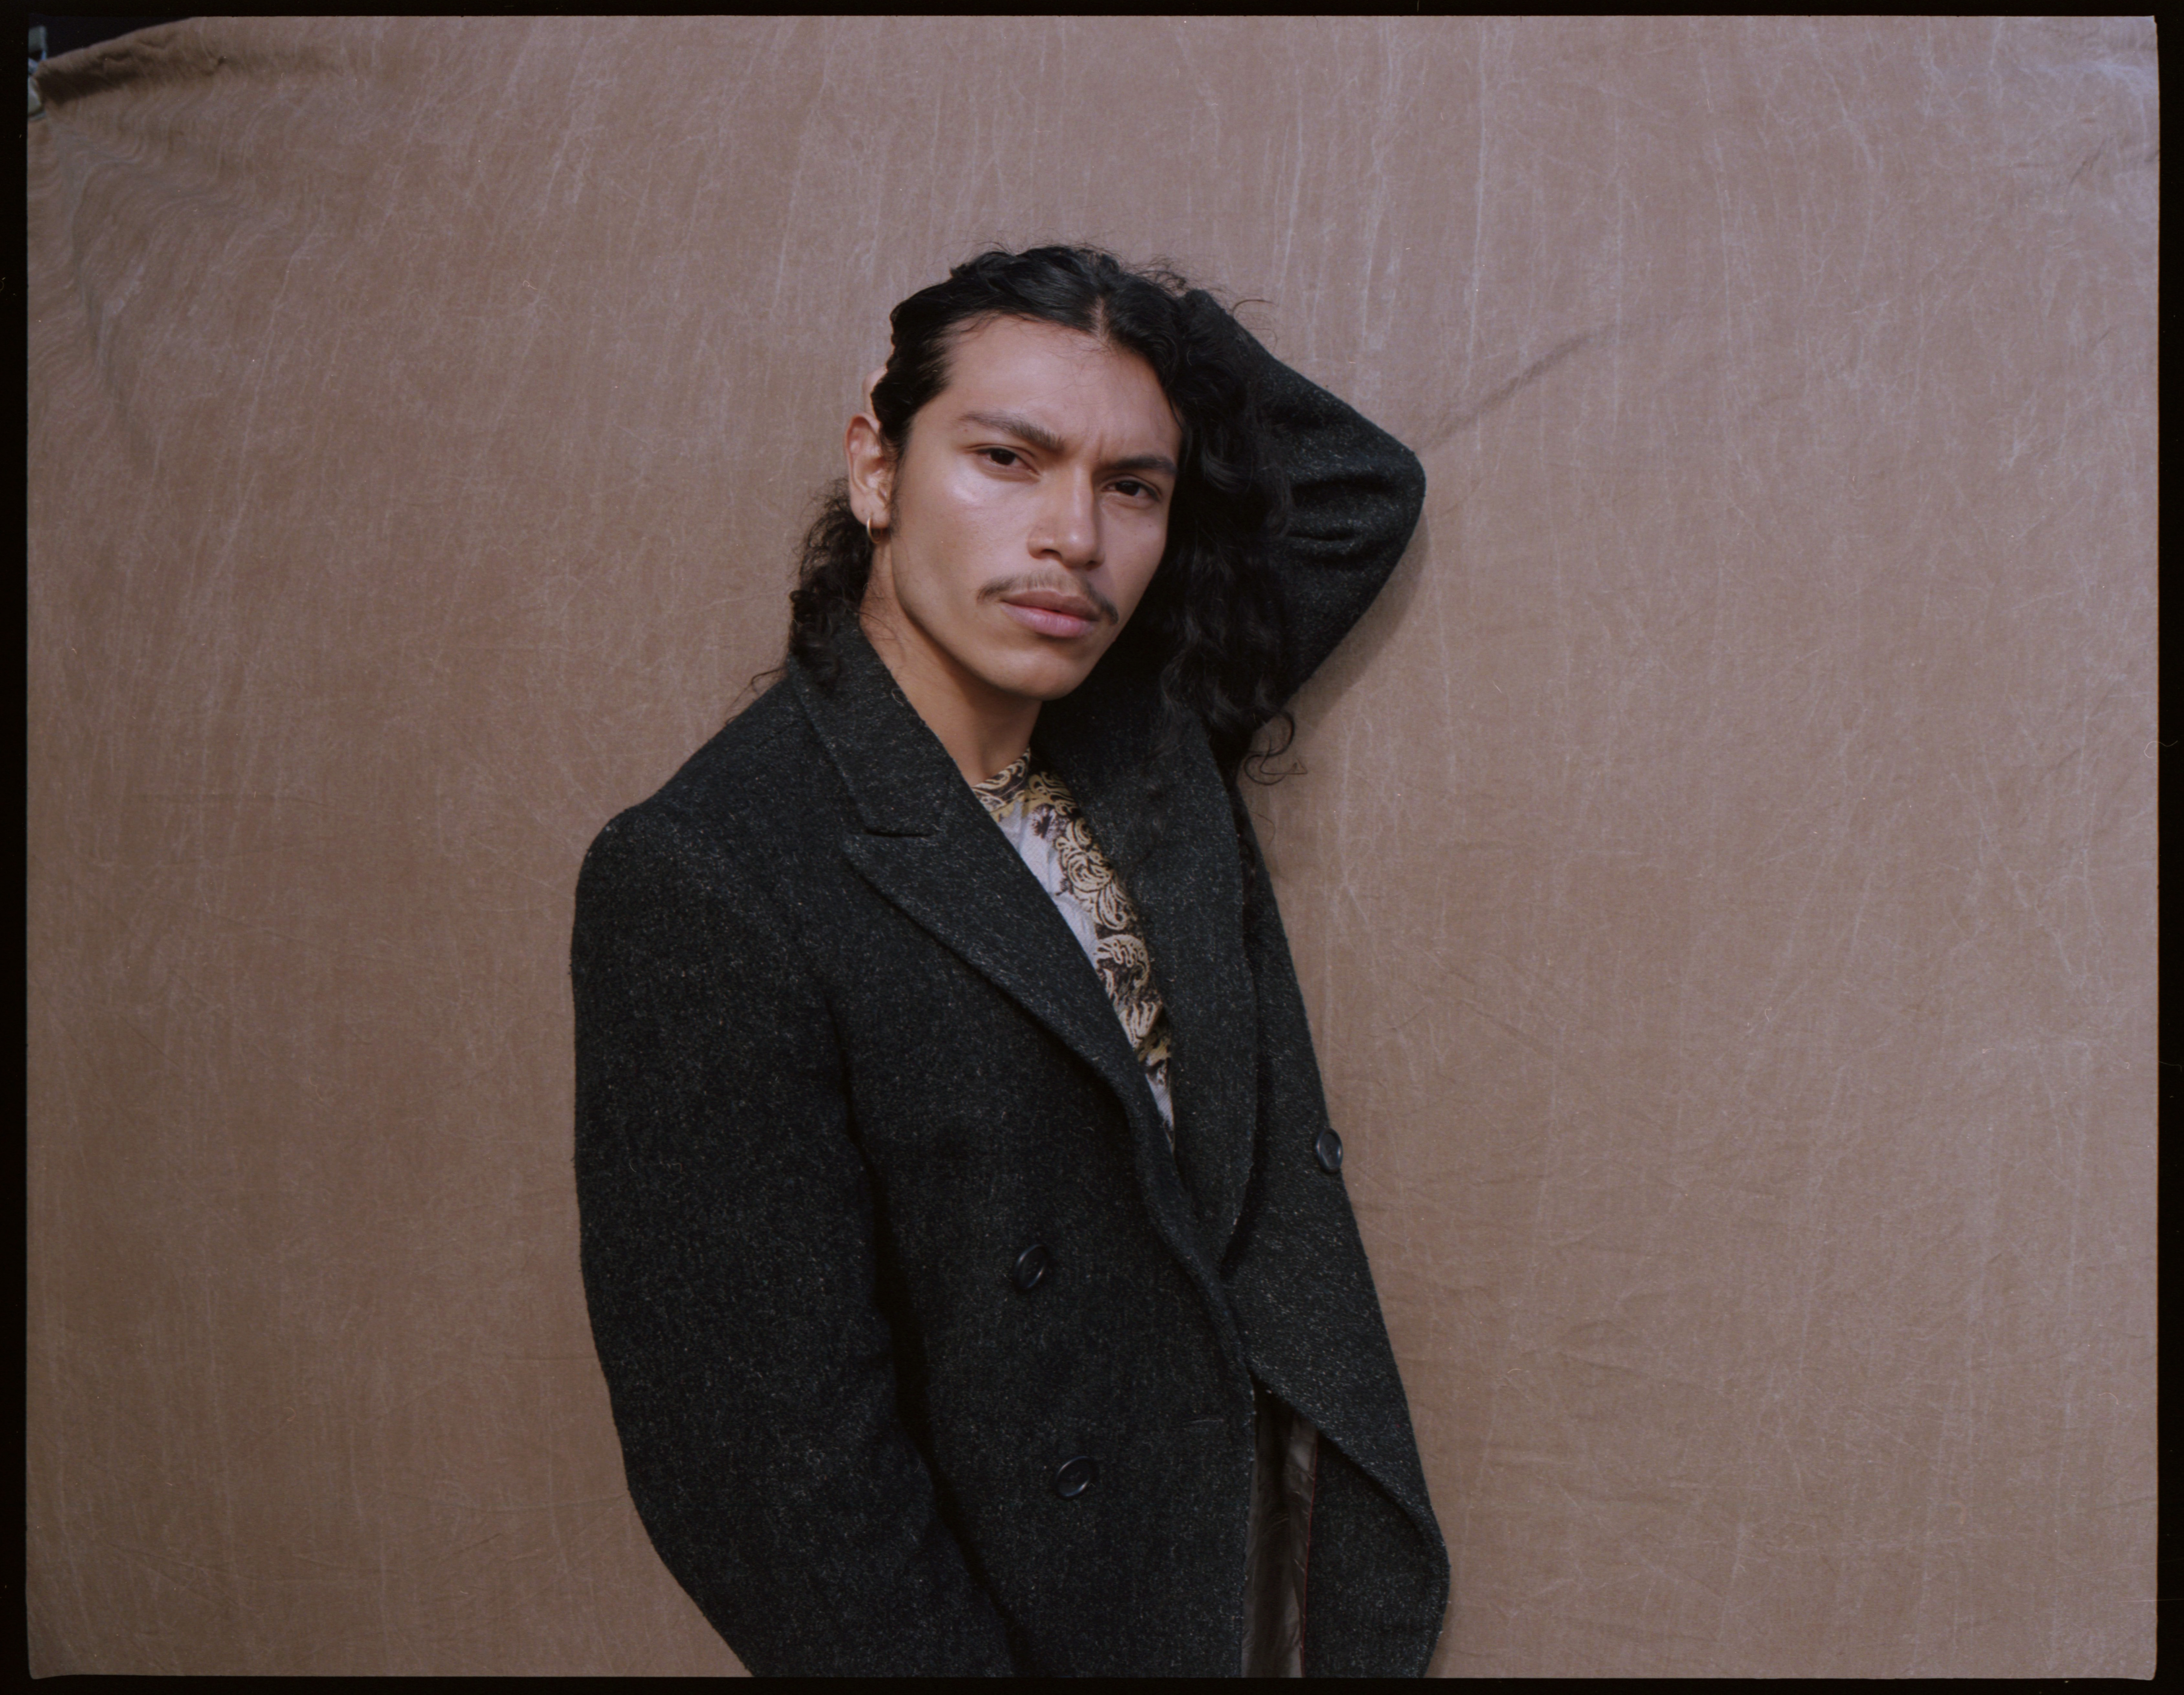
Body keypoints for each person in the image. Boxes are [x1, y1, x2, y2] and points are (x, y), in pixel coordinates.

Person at [572, 246, 1446, 1677]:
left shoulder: (1139, 732)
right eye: (1006, 457)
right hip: (1034, 1624)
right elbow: (774, 1488)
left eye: (1131, 486)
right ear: (877, 467)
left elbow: (1357, 490)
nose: (1073, 539)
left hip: (1255, 1566)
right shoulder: (712, 874)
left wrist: (1131, 324)